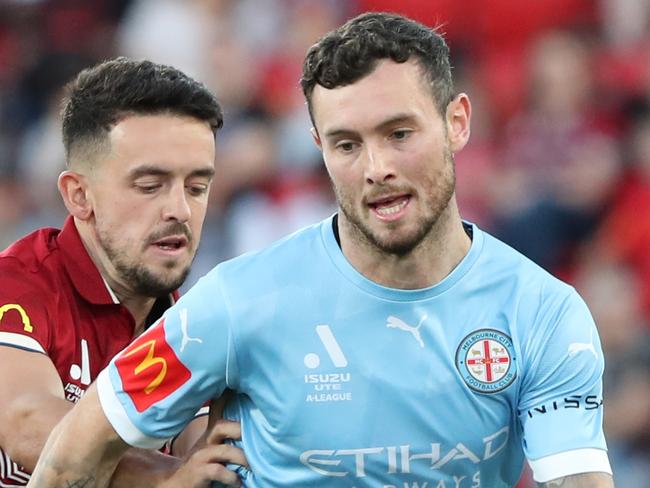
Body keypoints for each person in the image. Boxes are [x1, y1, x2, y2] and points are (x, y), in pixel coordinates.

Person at [29, 13, 614, 488]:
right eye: (346, 144)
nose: (377, 168)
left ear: (457, 122)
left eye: (399, 134)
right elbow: (67, 459)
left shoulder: (542, 315)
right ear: (318, 145)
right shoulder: (238, 302)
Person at [0, 57, 245, 487]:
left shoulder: (193, 327)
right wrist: (167, 477)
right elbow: (25, 422)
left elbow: (205, 453)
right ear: (79, 196)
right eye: (150, 186)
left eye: (197, 187)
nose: (180, 210)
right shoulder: (16, 284)